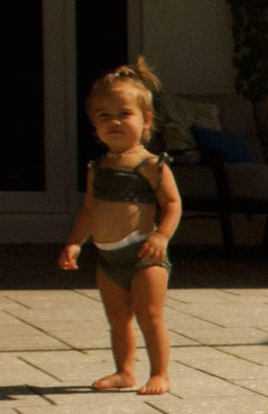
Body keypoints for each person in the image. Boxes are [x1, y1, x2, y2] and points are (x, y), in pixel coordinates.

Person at [58, 58, 181, 395]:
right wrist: (74, 242)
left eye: (124, 113)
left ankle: (160, 374)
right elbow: (88, 211)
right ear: (94, 125)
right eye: (104, 115)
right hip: (108, 258)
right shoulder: (96, 167)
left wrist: (161, 235)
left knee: (149, 316)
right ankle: (124, 371)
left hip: (144, 253)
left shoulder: (151, 164)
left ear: (146, 121)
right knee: (117, 320)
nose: (114, 121)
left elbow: (172, 204)